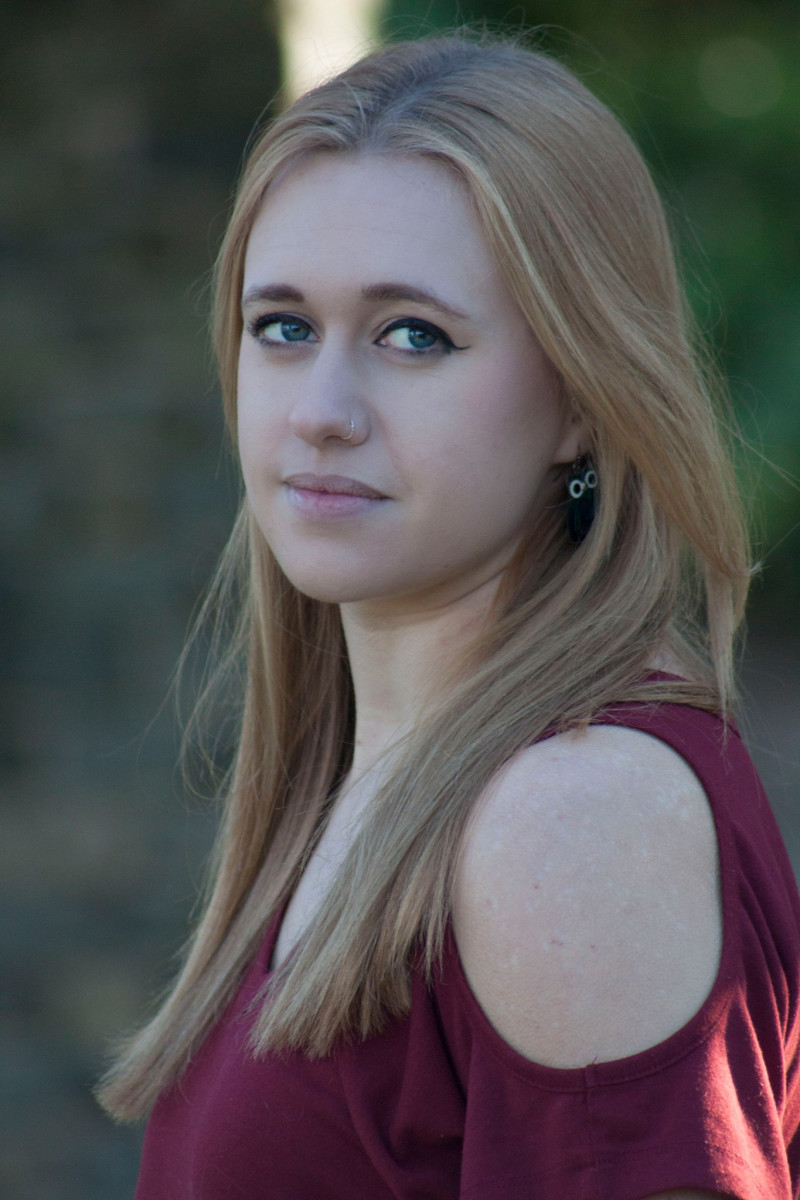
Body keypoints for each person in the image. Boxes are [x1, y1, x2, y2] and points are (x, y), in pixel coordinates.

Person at [98, 31, 800, 1199]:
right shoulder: (378, 785)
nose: (321, 410)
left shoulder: (573, 817)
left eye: (412, 336)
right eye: (282, 326)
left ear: (581, 399)